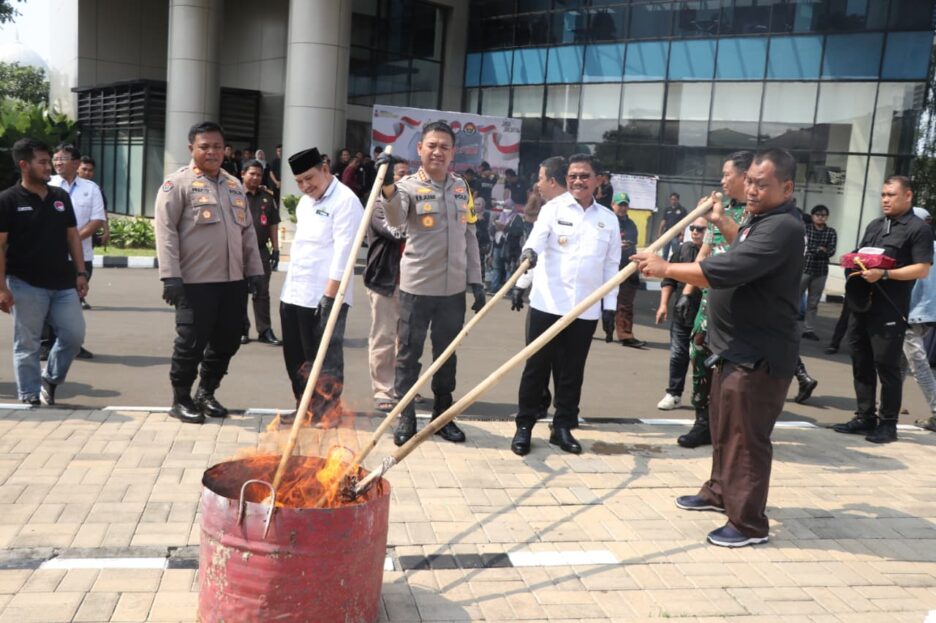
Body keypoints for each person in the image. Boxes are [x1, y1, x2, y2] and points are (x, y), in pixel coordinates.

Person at [633, 148, 806, 548]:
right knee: (724, 429)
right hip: (732, 348)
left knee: (748, 439)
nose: (752, 190)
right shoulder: (758, 219)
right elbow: (741, 248)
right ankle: (718, 492)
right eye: (749, 181)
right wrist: (724, 222)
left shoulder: (784, 227)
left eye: (762, 185)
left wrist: (666, 269)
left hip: (759, 355)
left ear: (787, 187)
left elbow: (730, 269)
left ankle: (748, 524)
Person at [377, 121, 484, 446]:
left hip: (452, 292)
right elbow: (395, 222)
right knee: (409, 357)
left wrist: (476, 281)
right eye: (432, 145)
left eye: (444, 147)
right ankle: (406, 417)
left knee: (446, 357)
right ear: (420, 149)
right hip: (416, 290)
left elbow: (470, 234)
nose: (438, 151)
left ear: (453, 153)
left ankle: (442, 417)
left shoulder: (460, 187)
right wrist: (387, 190)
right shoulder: (406, 187)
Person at [155, 121, 265, 424]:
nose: (212, 151)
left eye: (217, 146)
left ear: (224, 148)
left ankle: (206, 391)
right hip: (194, 283)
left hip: (232, 282)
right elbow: (165, 232)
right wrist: (170, 276)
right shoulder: (176, 184)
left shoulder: (233, 184)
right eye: (205, 146)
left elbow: (246, 233)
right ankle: (180, 399)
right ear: (192, 148)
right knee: (190, 343)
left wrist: (255, 272)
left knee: (228, 339)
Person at [511, 153, 620, 456]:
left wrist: (609, 307)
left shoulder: (607, 220)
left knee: (571, 372)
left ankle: (562, 427)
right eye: (573, 175)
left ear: (598, 180)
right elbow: (535, 242)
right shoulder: (552, 209)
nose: (577, 181)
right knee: (536, 368)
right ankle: (525, 426)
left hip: (584, 310)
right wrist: (526, 264)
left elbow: (612, 268)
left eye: (584, 176)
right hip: (547, 303)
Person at [833, 176, 933, 443]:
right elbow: (861, 253)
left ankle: (888, 424)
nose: (885, 199)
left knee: (887, 367)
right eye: (883, 195)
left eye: (891, 194)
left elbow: (922, 269)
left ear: (908, 196)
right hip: (861, 304)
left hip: (889, 309)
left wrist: (885, 275)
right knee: (860, 362)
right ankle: (865, 417)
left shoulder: (917, 229)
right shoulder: (876, 225)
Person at [0, 138, 90, 406]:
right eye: (42, 162)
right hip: (24, 283)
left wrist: (80, 272)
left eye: (49, 161)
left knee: (74, 336)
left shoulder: (60, 197)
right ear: (24, 164)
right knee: (27, 343)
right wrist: (2, 288)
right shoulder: (7, 200)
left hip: (63, 283)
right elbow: (0, 245)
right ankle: (29, 396)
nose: (49, 167)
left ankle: (50, 379)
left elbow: (73, 236)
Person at [280, 147, 363, 424]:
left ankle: (327, 412)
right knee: (296, 358)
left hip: (324, 295)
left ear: (325, 169)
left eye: (309, 178)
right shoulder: (305, 203)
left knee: (324, 359)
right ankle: (303, 408)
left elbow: (344, 253)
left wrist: (330, 298)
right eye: (299, 182)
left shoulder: (345, 201)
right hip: (295, 293)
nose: (305, 186)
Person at [678, 151, 753, 448]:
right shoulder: (719, 211)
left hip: (740, 305)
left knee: (733, 368)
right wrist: (687, 293)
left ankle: (731, 425)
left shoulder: (754, 215)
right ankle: (702, 421)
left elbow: (746, 248)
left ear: (745, 177)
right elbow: (704, 253)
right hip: (710, 301)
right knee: (698, 356)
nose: (721, 181)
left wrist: (720, 219)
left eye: (726, 175)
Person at [49, 144, 105, 358]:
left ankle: (72, 344)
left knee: (73, 303)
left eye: (62, 158)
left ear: (75, 162)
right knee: (50, 301)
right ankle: (50, 344)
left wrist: (72, 240)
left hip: (82, 257)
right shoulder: (48, 184)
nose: (57, 163)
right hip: (51, 256)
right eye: (55, 159)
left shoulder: (90, 188)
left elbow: (97, 219)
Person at [365, 158, 409, 412]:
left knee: (407, 340)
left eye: (407, 174)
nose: (404, 179)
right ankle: (383, 389)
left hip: (413, 282)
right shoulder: (378, 205)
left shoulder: (413, 205)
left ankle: (403, 387)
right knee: (384, 336)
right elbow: (396, 230)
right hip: (385, 279)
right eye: (398, 174)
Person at [655, 216, 706, 410]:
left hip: (707, 315)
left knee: (704, 358)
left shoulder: (717, 252)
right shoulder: (683, 250)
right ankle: (674, 393)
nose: (695, 232)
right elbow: (669, 279)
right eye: (692, 228)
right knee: (678, 354)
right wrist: (663, 305)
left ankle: (705, 398)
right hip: (683, 312)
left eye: (700, 229)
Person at [240, 159, 282, 346]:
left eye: (259, 174)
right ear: (243, 174)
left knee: (262, 292)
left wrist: (276, 249)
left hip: (261, 251)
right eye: (252, 174)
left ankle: (265, 330)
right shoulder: (234, 195)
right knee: (239, 292)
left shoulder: (268, 197)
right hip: (237, 252)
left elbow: (273, 224)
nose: (256, 178)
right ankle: (241, 329)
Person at [904, 207, 936, 433]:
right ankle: (887, 406)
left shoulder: (918, 248)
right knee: (899, 363)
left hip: (914, 312)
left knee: (917, 362)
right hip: (927, 313)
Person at [612, 192, 644, 348]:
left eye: (625, 204)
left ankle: (625, 335)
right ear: (613, 205)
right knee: (591, 302)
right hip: (608, 268)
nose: (623, 208)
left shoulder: (631, 224)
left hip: (627, 268)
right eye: (620, 204)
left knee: (625, 304)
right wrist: (617, 246)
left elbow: (634, 244)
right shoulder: (607, 222)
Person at [801, 204, 837, 341]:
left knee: (813, 302)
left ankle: (808, 329)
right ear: (812, 216)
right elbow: (805, 246)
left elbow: (831, 250)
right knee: (794, 298)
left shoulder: (831, 232)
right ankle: (787, 326)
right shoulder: (805, 229)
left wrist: (819, 250)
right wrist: (820, 250)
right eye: (818, 215)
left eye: (824, 215)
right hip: (804, 268)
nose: (821, 218)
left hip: (821, 271)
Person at [78, 156, 109, 249]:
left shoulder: (96, 189)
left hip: (88, 234)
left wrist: (106, 230)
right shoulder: (66, 186)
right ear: (77, 169)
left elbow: (103, 211)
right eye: (84, 169)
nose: (87, 173)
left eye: (90, 170)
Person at [659, 192, 687, 260]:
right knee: (665, 252)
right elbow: (663, 221)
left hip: (676, 236)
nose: (673, 201)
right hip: (667, 234)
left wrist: (682, 235)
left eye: (675, 199)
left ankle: (674, 266)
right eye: (672, 199)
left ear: (678, 200)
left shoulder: (682, 210)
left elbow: (684, 223)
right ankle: (663, 266)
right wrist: (659, 233)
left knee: (675, 253)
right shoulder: (667, 209)